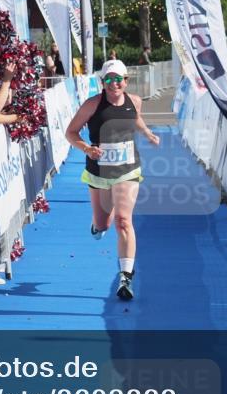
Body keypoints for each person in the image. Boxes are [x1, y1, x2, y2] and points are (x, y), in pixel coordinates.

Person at [64, 59, 160, 301]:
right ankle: (97, 226)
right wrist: (87, 148)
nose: (114, 83)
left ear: (126, 81)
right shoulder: (92, 105)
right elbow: (70, 132)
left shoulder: (134, 101)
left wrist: (147, 132)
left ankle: (125, 277)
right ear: (102, 82)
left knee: (123, 221)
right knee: (104, 224)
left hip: (128, 169)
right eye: (109, 79)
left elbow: (135, 118)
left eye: (119, 79)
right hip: (99, 171)